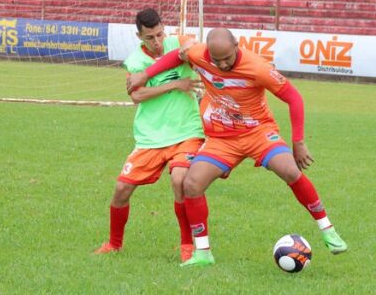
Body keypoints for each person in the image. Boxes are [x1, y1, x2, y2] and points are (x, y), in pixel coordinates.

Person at [127, 27, 348, 267]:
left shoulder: (258, 68)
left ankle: (327, 229)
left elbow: (293, 97)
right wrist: (144, 74)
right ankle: (203, 253)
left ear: (237, 45)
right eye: (216, 60)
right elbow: (178, 56)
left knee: (289, 171)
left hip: (258, 133)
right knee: (191, 184)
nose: (222, 65)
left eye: (227, 59)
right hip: (222, 138)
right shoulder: (199, 53)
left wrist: (299, 142)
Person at [94, 8, 205, 262]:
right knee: (121, 189)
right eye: (150, 38)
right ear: (139, 36)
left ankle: (187, 245)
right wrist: (175, 84)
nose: (156, 43)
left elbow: (189, 47)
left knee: (180, 180)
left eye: (159, 35)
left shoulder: (177, 42)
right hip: (150, 137)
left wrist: (186, 48)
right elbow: (136, 96)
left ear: (164, 28)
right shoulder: (135, 61)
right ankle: (114, 244)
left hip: (186, 131)